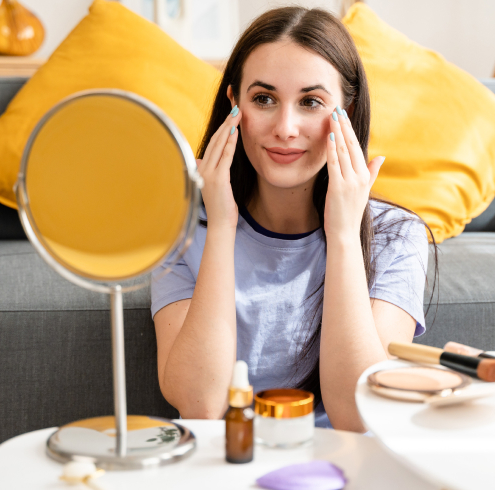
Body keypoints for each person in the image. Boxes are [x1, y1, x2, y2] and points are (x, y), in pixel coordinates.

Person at [150, 6, 433, 433]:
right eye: (263, 99)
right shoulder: (180, 227)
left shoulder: (398, 237)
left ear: (348, 113)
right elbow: (202, 405)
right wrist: (222, 227)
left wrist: (341, 236)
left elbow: (359, 416)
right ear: (234, 106)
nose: (285, 127)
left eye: (311, 102)